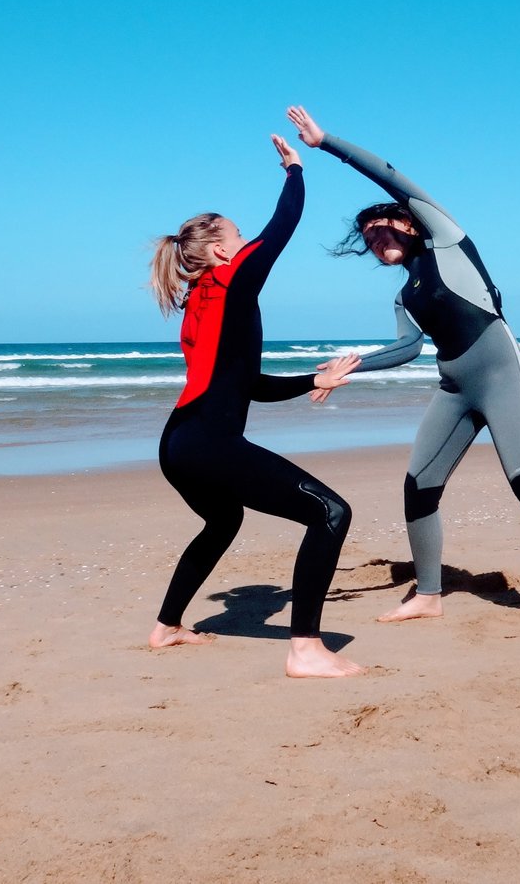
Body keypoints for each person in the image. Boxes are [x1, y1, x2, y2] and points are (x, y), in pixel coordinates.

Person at [286, 105, 520, 632]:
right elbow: (407, 349)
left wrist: (326, 144)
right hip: (454, 385)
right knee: (419, 483)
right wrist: (351, 365)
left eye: (381, 225)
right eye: (366, 235)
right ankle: (429, 594)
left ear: (409, 222)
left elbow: (388, 175)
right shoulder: (405, 297)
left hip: (502, 375)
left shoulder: (448, 240)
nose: (374, 237)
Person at [147, 133, 368, 677]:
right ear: (223, 251)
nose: (246, 243)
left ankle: (166, 627)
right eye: (238, 237)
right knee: (330, 513)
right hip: (208, 444)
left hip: (178, 443)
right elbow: (282, 229)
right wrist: (295, 171)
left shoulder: (201, 304)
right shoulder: (230, 283)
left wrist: (315, 379)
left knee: (222, 522)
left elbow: (246, 386)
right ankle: (306, 651)